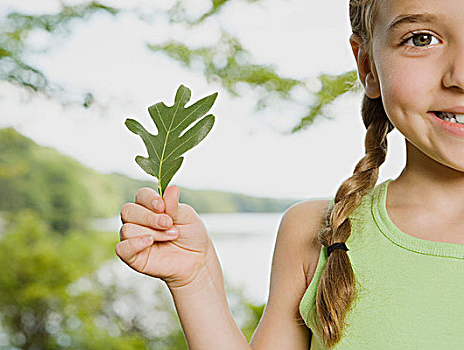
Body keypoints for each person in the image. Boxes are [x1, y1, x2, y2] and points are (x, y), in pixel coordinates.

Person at [115, 0, 464, 348]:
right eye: (421, 39)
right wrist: (195, 281)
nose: (460, 76)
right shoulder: (315, 232)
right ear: (367, 65)